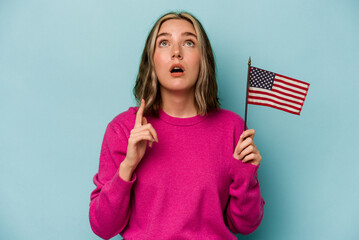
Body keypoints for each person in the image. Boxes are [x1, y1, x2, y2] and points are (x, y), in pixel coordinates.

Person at [89, 11, 265, 240]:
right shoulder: (124, 129)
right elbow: (103, 227)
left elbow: (245, 225)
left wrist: (245, 176)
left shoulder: (232, 127)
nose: (176, 53)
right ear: (151, 59)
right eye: (164, 43)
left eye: (189, 42)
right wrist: (128, 165)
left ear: (203, 58)